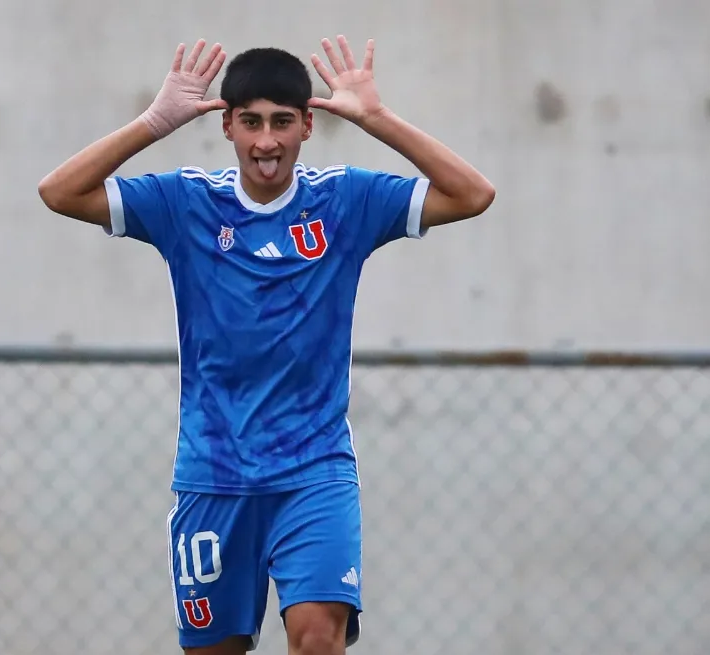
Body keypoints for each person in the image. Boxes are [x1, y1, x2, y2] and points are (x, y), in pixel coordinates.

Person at [38, 35, 495, 655]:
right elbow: (58, 192)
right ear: (226, 125)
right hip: (213, 474)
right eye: (250, 122)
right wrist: (154, 122)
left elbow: (473, 194)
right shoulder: (186, 201)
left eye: (283, 121)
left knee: (315, 637)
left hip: (314, 470)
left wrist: (378, 119)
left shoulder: (345, 199)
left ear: (309, 124)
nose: (267, 141)